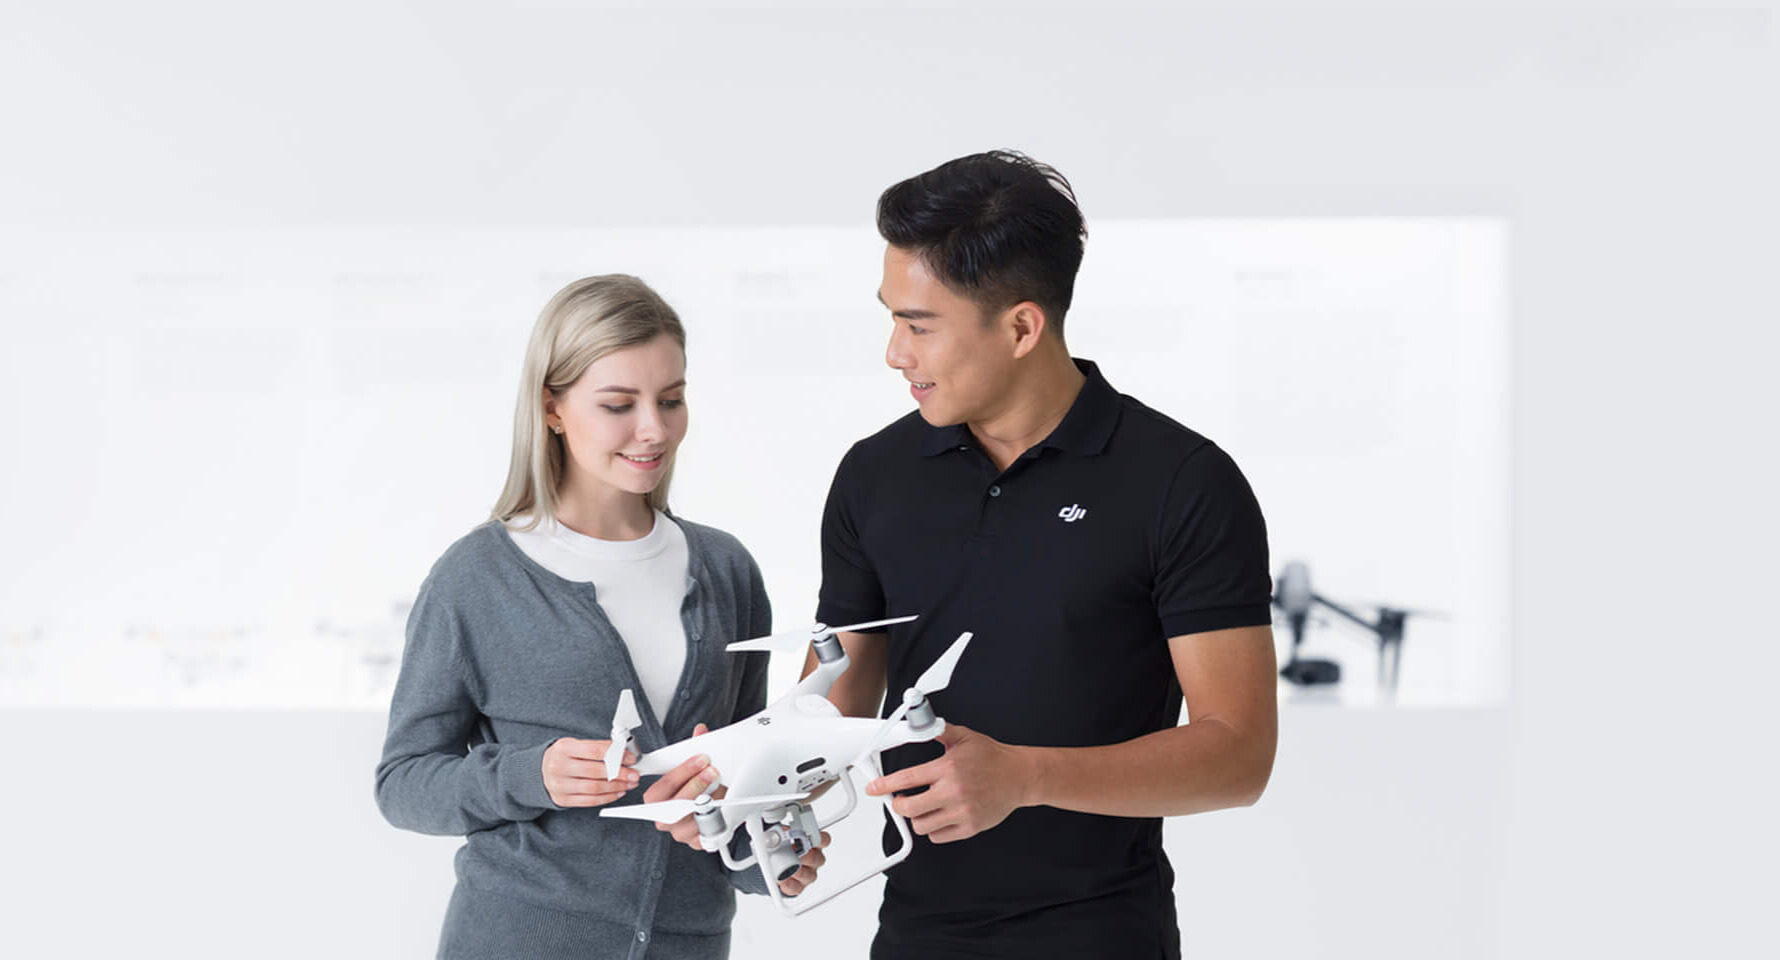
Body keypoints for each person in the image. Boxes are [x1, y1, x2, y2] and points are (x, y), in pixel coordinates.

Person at [809, 152, 1279, 960]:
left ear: (1023, 326)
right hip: (914, 934)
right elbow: (839, 703)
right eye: (892, 317)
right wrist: (744, 778)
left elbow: (1238, 754)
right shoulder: (873, 473)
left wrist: (1024, 777)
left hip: (1103, 936)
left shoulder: (1182, 482)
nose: (895, 352)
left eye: (920, 324)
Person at [375, 274, 823, 960]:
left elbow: (740, 783)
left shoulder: (726, 569)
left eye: (671, 400)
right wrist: (533, 774)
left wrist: (777, 851)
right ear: (552, 409)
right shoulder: (478, 578)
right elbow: (403, 782)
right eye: (619, 404)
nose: (655, 429)